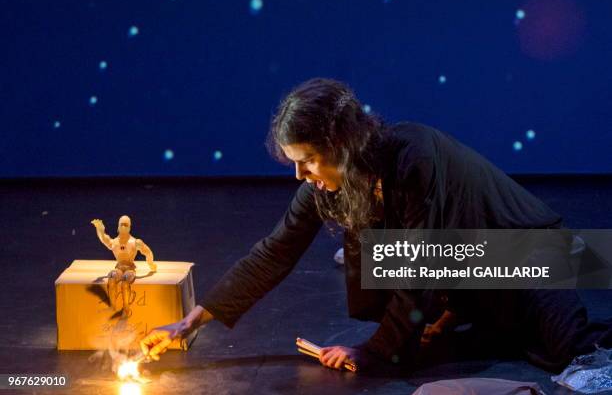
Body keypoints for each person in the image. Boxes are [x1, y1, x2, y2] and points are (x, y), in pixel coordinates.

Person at [139, 78, 611, 372]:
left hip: (527, 254)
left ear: (341, 144)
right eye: (293, 164)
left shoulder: (413, 154)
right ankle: (459, 316)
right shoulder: (327, 187)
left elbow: (426, 265)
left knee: (572, 353)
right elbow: (274, 251)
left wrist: (375, 351)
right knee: (384, 265)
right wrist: (188, 323)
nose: (300, 176)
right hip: (469, 267)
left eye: (308, 161)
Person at [92, 215, 157, 315]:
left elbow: (147, 252)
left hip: (130, 269)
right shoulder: (114, 242)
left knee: (125, 281)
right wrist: (100, 230)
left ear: (130, 227)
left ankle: (126, 308)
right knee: (112, 277)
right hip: (119, 267)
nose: (123, 227)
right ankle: (112, 306)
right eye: (121, 224)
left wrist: (151, 264)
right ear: (118, 227)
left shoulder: (135, 242)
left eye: (126, 225)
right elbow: (104, 239)